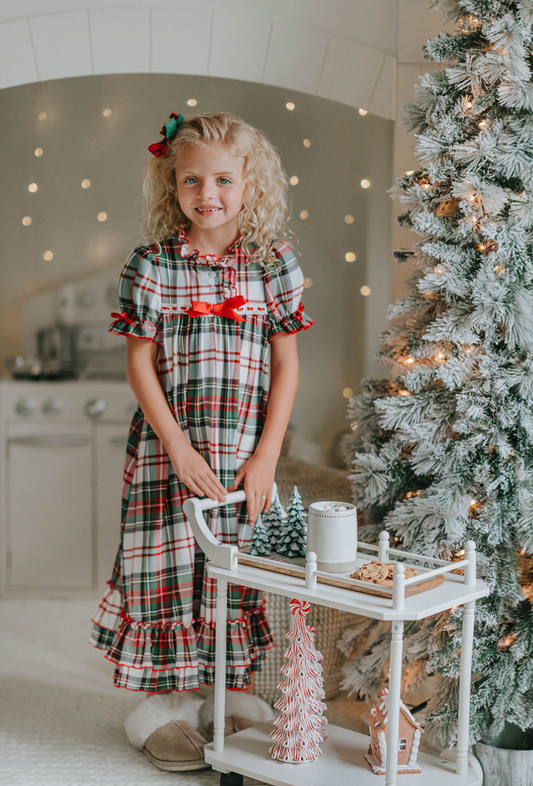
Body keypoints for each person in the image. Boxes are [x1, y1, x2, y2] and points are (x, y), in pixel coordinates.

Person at [90, 111, 314, 771]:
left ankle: (231, 691)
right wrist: (178, 449)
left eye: (222, 178)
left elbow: (287, 365)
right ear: (173, 185)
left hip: (244, 452)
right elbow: (138, 364)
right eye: (192, 180)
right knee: (163, 570)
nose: (207, 193)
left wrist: (267, 455)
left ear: (251, 183)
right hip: (169, 454)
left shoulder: (273, 264)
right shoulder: (152, 265)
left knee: (234, 569)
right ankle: (166, 705)